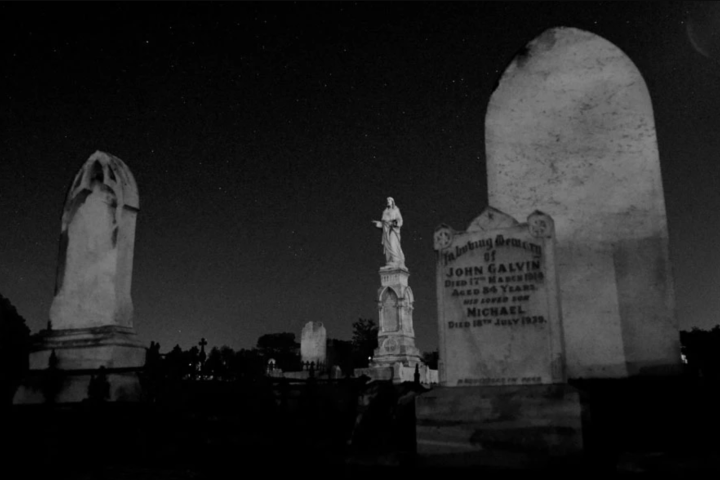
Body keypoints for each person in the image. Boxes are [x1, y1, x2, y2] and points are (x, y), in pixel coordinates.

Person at [373, 197, 405, 268]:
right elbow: (384, 223)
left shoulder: (395, 210)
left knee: (393, 243)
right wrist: (379, 223)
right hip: (386, 231)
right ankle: (390, 261)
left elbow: (400, 220)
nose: (388, 201)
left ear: (392, 201)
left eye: (389, 200)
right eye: (387, 200)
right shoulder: (385, 211)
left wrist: (394, 223)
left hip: (393, 230)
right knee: (387, 246)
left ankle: (396, 261)